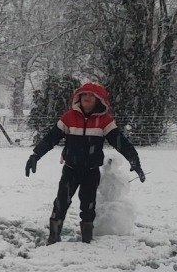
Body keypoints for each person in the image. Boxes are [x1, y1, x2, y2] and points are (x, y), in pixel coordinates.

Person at [25, 81, 145, 244]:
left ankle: (87, 240)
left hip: (91, 171)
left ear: (99, 100)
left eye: (92, 95)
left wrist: (134, 159)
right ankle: (53, 237)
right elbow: (50, 138)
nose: (87, 98)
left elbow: (120, 142)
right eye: (84, 94)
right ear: (79, 97)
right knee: (61, 202)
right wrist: (35, 155)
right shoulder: (69, 117)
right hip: (70, 170)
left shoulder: (104, 121)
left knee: (88, 206)